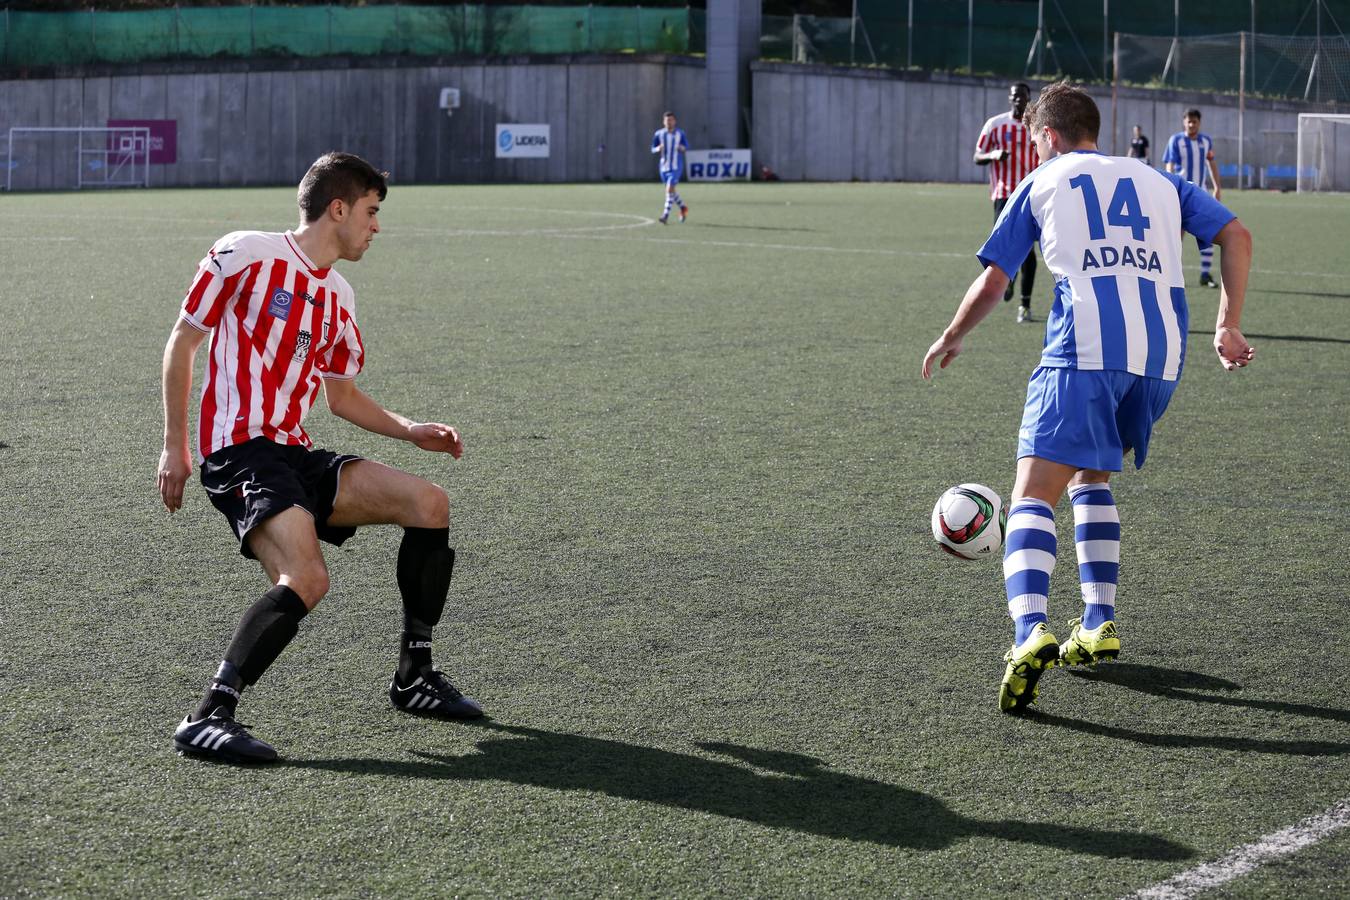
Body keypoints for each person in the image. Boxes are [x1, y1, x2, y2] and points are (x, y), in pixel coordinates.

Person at [922, 82, 1254, 714]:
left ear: (1045, 135)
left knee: (1031, 493)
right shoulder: (1157, 179)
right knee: (1091, 479)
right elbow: (1236, 234)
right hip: (1160, 358)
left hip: (1085, 351)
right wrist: (1227, 322)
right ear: (1094, 129)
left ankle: (1028, 635)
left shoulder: (1043, 180)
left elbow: (996, 278)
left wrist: (952, 334)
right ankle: (1098, 621)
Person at [158, 151, 483, 764]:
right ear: (338, 208)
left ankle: (415, 676)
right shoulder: (244, 253)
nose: (376, 226)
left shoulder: (339, 295)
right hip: (239, 453)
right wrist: (175, 447)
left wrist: (411, 430)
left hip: (296, 453)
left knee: (429, 503)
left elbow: (342, 396)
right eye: (370, 210)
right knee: (306, 578)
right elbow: (183, 343)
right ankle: (209, 715)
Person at [974, 82, 1041, 323]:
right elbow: (977, 155)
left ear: (1029, 99)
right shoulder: (995, 124)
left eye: (1022, 96)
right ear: (1009, 98)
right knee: (1003, 248)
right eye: (1014, 96)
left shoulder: (1036, 127)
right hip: (1004, 194)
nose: (1018, 100)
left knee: (1029, 252)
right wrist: (993, 155)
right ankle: (1008, 282)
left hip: (1032, 194)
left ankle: (1025, 304)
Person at [1163, 109, 1223, 288]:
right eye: (1188, 121)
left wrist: (1217, 186)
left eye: (1194, 122)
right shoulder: (1176, 140)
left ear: (1199, 123)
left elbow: (1211, 163)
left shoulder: (1206, 141)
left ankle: (1205, 274)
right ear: (1184, 122)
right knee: (1175, 236)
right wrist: (1169, 188)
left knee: (1207, 234)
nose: (1191, 125)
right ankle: (1171, 275)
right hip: (1180, 193)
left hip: (1200, 194)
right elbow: (1169, 165)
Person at [651, 111, 689, 224]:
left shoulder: (680, 133)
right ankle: (683, 208)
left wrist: (682, 148)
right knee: (671, 191)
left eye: (671, 120)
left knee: (669, 189)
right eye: (667, 120)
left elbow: (686, 146)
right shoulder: (659, 134)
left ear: (675, 121)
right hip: (663, 167)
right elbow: (652, 148)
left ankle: (665, 215)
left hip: (676, 167)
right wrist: (658, 148)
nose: (669, 122)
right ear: (663, 122)